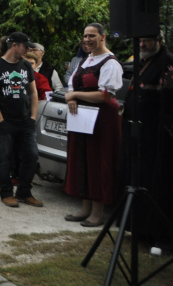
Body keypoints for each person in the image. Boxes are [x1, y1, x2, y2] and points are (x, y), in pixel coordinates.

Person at [63, 23, 123, 227]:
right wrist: (71, 98)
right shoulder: (86, 60)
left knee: (98, 161)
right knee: (82, 160)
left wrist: (75, 95)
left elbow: (106, 95)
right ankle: (85, 208)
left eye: (92, 36)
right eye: (85, 36)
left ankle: (98, 212)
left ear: (102, 37)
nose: (87, 39)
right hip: (82, 117)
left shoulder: (110, 62)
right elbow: (73, 84)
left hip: (102, 119)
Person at [119, 33, 173, 249]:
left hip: (158, 140)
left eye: (146, 41)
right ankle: (140, 230)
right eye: (139, 41)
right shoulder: (142, 60)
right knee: (137, 180)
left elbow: (169, 103)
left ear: (159, 41)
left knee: (158, 186)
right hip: (138, 135)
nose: (141, 44)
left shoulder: (168, 62)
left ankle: (161, 235)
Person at [0, 32, 42, 208]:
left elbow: (33, 92)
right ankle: (6, 192)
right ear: (14, 45)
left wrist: (32, 117)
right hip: (5, 122)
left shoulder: (26, 66)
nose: (27, 50)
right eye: (25, 46)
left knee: (31, 156)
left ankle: (24, 192)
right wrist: (0, 120)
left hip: (25, 122)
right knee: (5, 158)